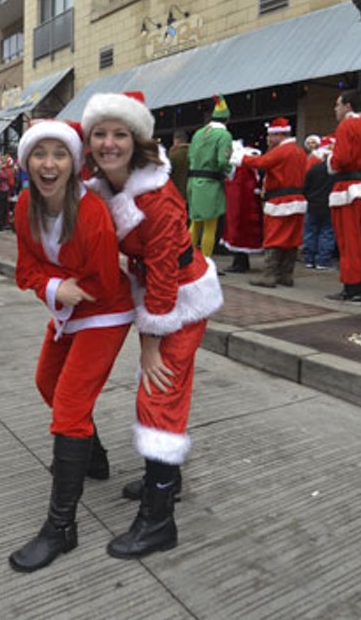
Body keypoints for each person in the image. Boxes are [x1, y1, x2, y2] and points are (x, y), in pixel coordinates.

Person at [82, 90, 223, 560]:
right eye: (100, 133)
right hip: (157, 293)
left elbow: (164, 275)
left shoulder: (158, 199)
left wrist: (152, 343)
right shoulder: (105, 184)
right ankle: (167, 479)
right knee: (160, 391)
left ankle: (159, 521)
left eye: (119, 134)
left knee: (159, 398)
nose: (108, 143)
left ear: (136, 140)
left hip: (180, 298)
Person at [8, 119, 135, 572]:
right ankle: (93, 458)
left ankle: (62, 527)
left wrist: (57, 286)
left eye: (59, 154)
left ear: (74, 163)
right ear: (26, 162)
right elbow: (25, 266)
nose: (48, 163)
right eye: (39, 154)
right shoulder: (25, 205)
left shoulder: (93, 213)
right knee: (47, 382)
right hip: (68, 304)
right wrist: (53, 287)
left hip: (105, 308)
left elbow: (101, 281)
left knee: (69, 404)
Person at [241, 117, 308, 287]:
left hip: (280, 201)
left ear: (279, 135)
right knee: (292, 239)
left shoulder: (281, 151)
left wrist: (241, 158)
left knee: (273, 238)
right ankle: (286, 275)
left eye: (270, 136)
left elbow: (261, 163)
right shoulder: (300, 151)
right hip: (297, 201)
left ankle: (269, 276)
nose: (268, 139)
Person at [326, 90, 361, 303]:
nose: (335, 109)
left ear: (348, 106)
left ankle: (351, 286)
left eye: (338, 105)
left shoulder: (347, 125)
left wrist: (329, 158)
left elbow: (341, 159)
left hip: (349, 189)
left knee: (349, 241)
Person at [187, 95, 233, 260]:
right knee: (210, 226)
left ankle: (188, 259)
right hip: (210, 184)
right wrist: (230, 169)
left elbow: (190, 156)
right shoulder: (224, 135)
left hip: (193, 183)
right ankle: (205, 261)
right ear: (227, 119)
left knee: (195, 223)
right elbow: (222, 160)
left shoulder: (198, 133)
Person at [221, 140, 263, 273]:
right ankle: (240, 262)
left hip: (239, 204)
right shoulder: (246, 166)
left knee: (238, 232)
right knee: (240, 232)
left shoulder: (238, 166)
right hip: (243, 203)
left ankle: (240, 263)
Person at [302, 140, 336, 271]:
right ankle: (323, 261)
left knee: (310, 232)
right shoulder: (335, 172)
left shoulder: (313, 169)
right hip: (329, 205)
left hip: (313, 204)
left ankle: (309, 260)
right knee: (327, 233)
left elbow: (305, 187)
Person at [167, 129, 190, 202]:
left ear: (175, 140)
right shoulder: (193, 155)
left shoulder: (172, 156)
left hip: (175, 194)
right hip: (191, 194)